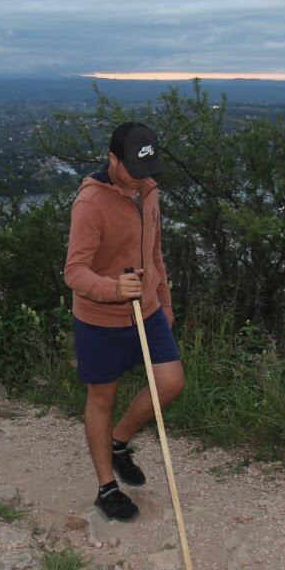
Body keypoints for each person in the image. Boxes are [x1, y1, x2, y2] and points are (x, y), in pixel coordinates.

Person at [64, 122, 184, 522]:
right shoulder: (90, 204)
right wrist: (113, 288)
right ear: (112, 159)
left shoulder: (148, 190)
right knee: (102, 399)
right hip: (100, 317)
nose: (140, 178)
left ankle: (119, 442)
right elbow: (74, 272)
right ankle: (106, 488)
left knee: (170, 382)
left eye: (146, 169)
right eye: (132, 168)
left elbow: (154, 251)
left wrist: (163, 299)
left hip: (146, 309)